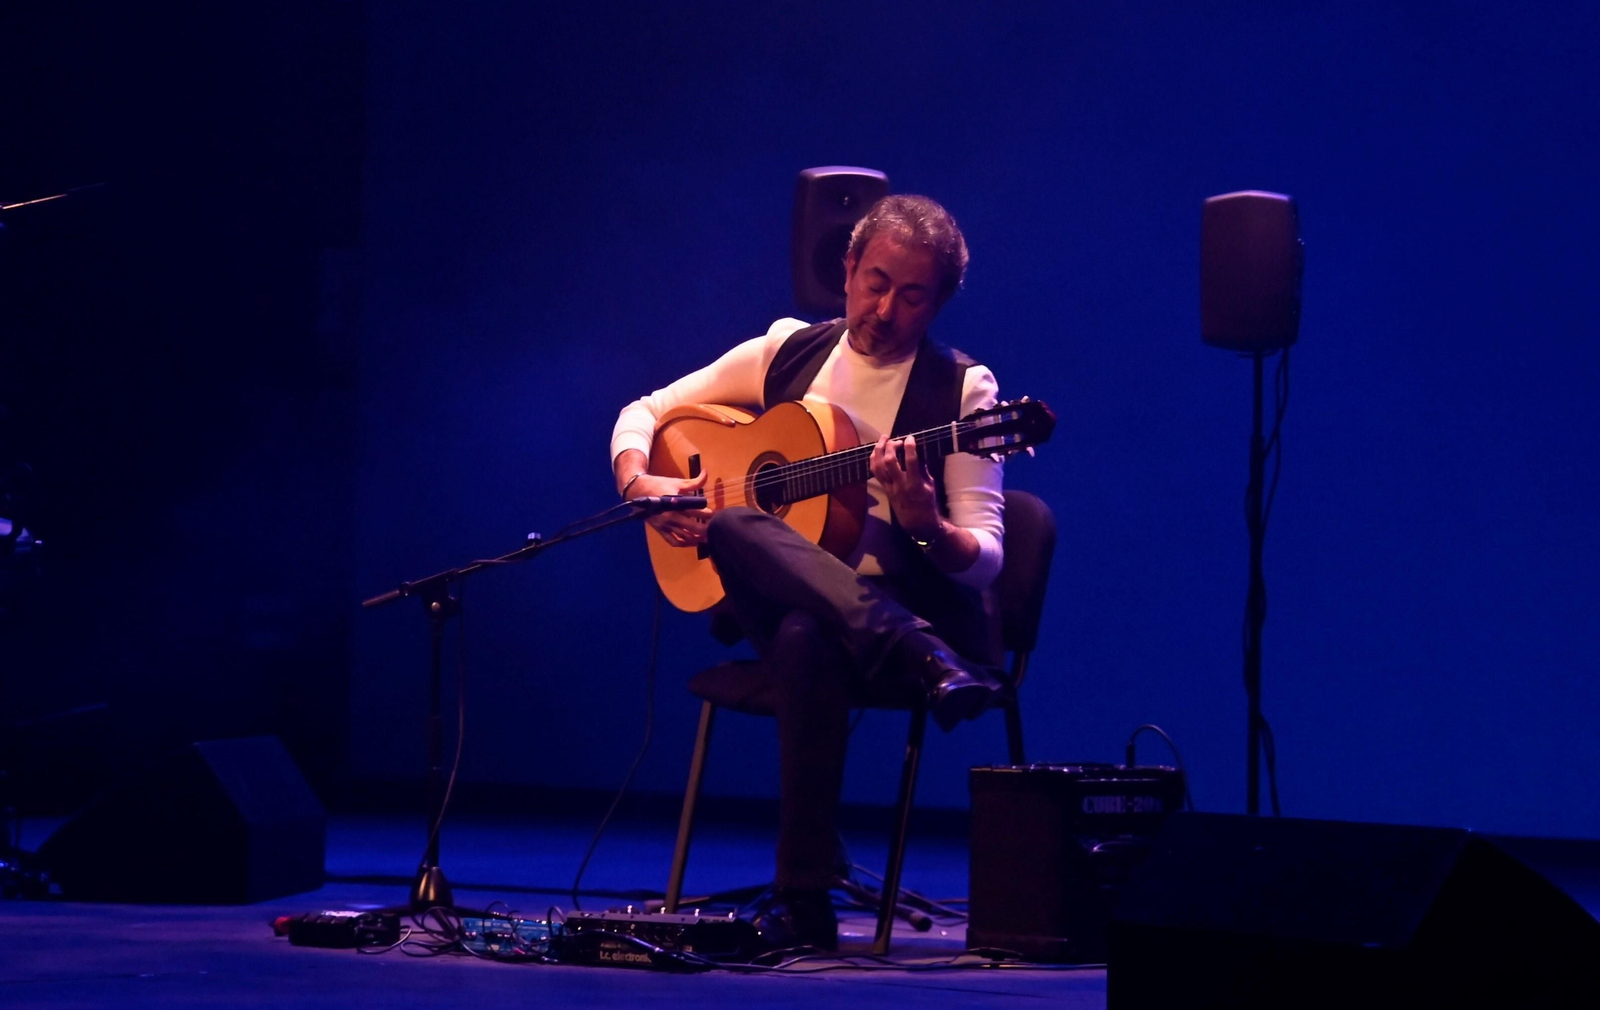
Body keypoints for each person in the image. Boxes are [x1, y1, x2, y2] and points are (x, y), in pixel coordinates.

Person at [609, 194, 1005, 951]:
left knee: (801, 637)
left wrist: (929, 529)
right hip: (899, 645)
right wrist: (642, 485)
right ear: (849, 269)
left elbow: (987, 561)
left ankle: (804, 903)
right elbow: (645, 410)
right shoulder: (788, 352)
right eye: (876, 282)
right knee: (731, 524)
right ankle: (907, 646)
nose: (885, 309)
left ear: (939, 302)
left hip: (903, 611)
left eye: (911, 295)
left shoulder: (964, 393)